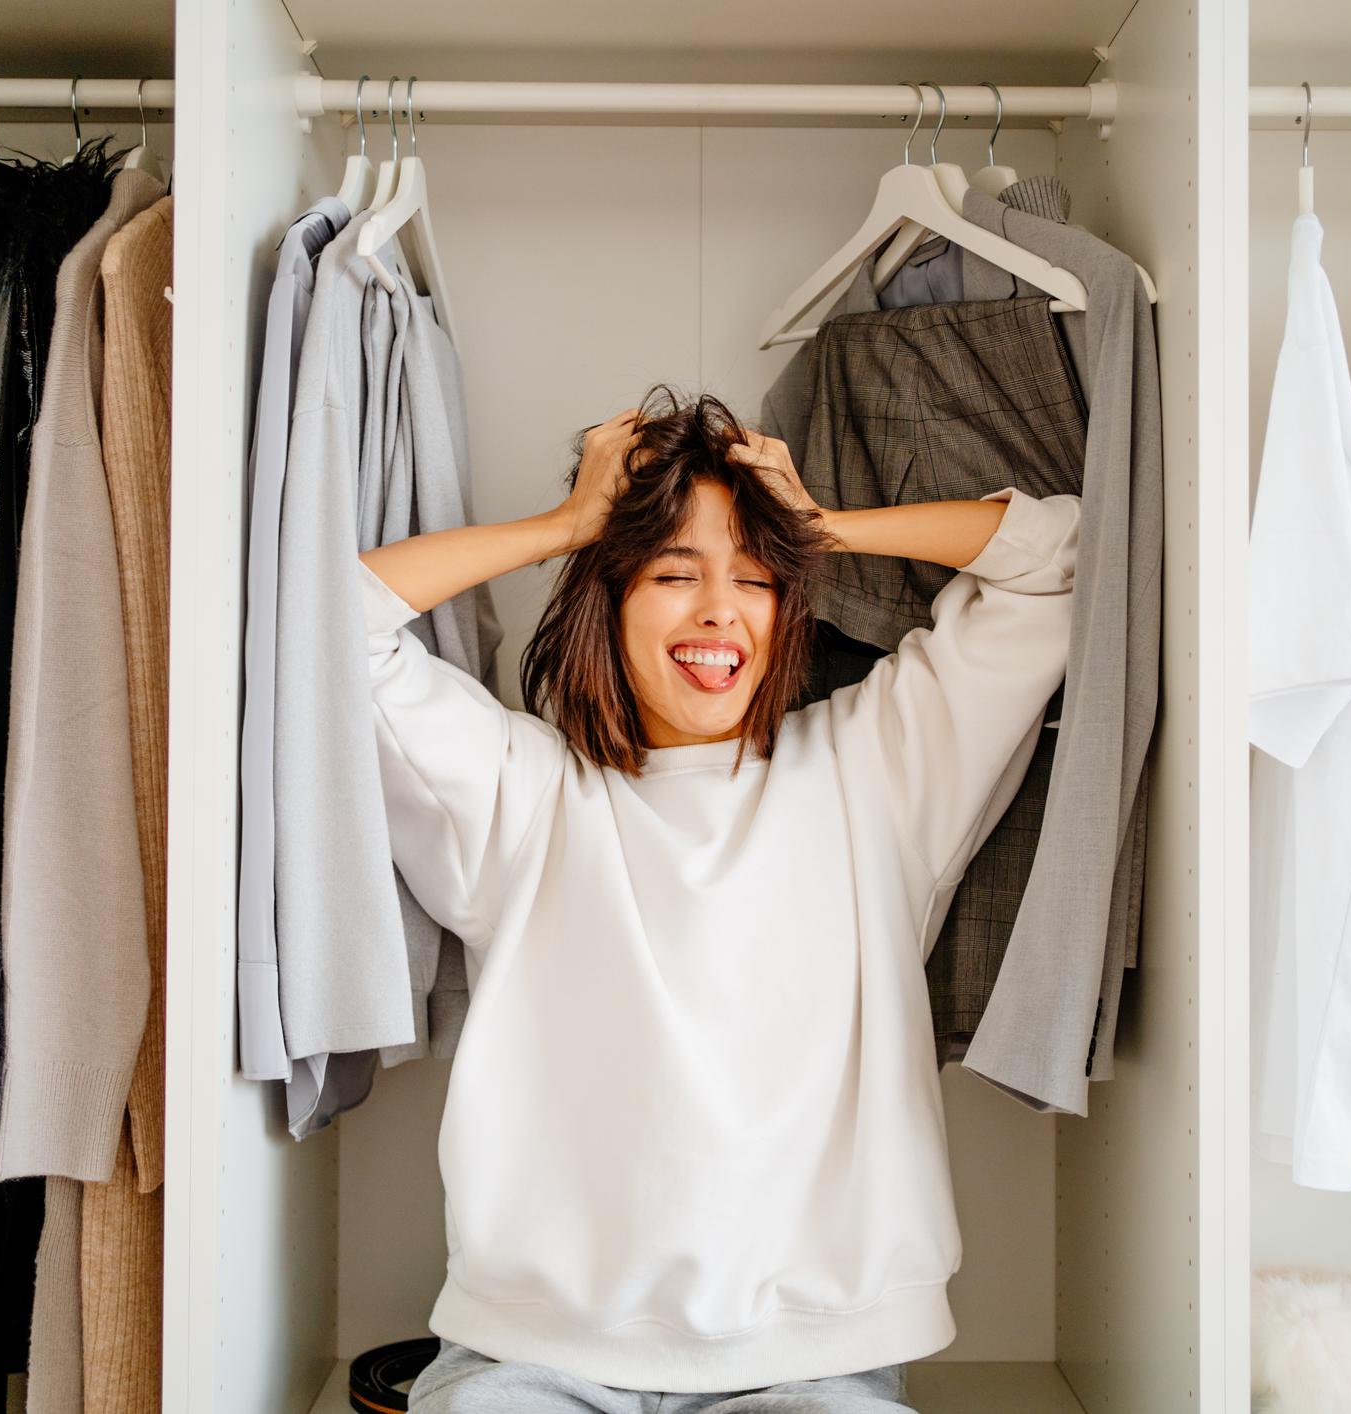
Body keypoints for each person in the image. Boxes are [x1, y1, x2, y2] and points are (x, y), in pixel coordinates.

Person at [358, 387, 1082, 1412]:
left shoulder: (875, 771)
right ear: (605, 593)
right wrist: (564, 527)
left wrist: (822, 527)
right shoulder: (524, 796)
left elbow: (1058, 562)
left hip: (810, 1365)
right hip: (534, 1357)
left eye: (755, 576)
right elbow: (330, 626)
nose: (718, 609)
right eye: (671, 571)